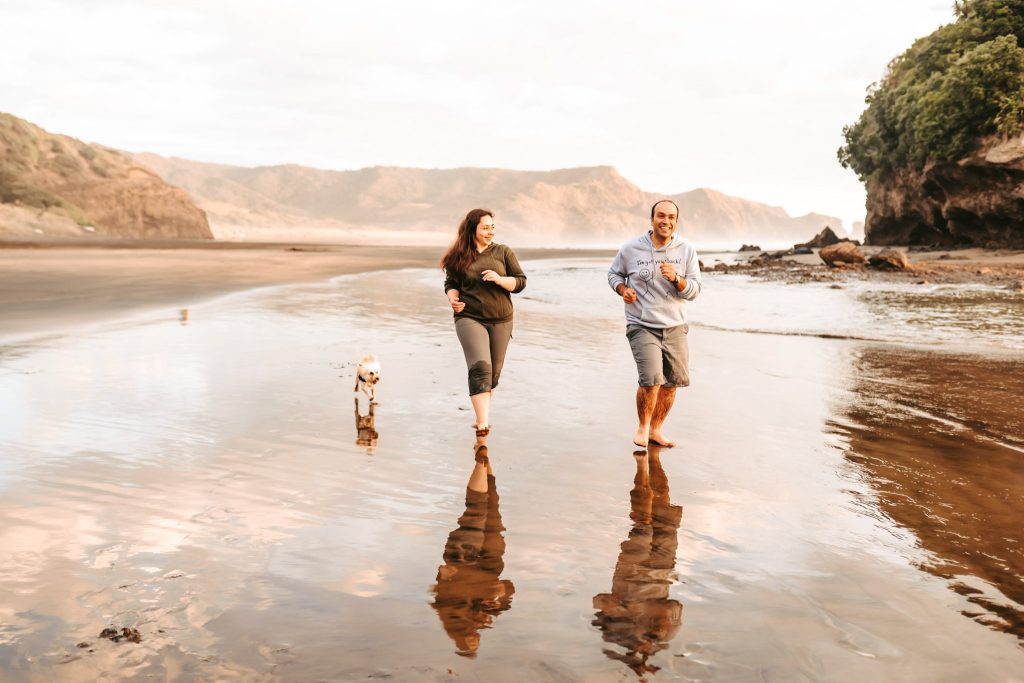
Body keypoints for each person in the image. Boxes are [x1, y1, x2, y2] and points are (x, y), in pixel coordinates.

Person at [608, 200, 702, 447]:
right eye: (661, 216)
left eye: (671, 217)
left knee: (671, 385)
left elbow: (694, 290)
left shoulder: (686, 250)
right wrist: (622, 289)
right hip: (641, 323)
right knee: (651, 380)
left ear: (676, 222)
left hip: (675, 326)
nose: (666, 221)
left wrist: (677, 279)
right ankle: (642, 428)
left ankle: (655, 430)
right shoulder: (631, 248)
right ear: (652, 219)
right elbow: (614, 273)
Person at [441, 208, 527, 437]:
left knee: (493, 375)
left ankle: (482, 414)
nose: (490, 232)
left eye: (492, 227)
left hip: (501, 318)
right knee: (480, 370)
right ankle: (483, 425)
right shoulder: (458, 256)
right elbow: (451, 283)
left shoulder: (503, 252)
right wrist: (453, 299)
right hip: (469, 317)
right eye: (485, 227)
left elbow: (520, 282)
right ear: (472, 229)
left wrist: (500, 280)